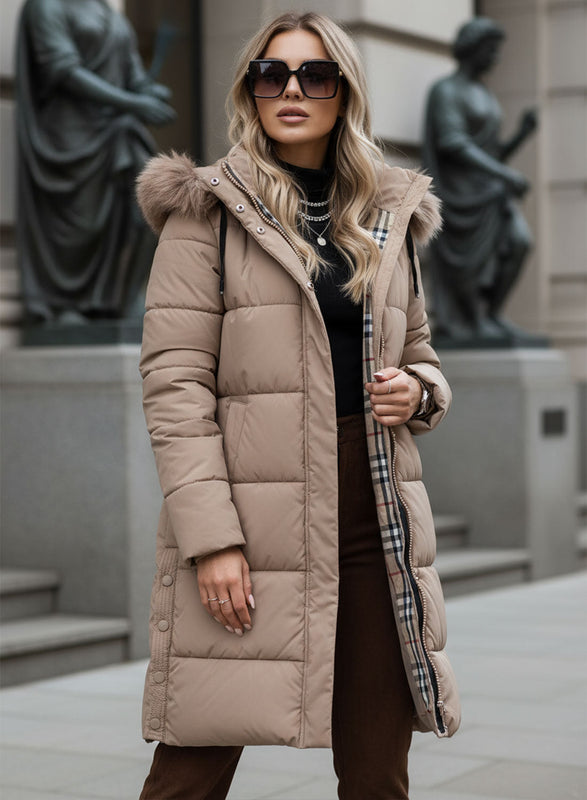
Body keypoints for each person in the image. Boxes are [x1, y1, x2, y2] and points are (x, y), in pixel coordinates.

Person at [136, 12, 460, 800]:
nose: (290, 89)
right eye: (270, 73)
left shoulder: (387, 217)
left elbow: (421, 355)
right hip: (256, 514)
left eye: (314, 75)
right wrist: (211, 539)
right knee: (193, 768)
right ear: (249, 90)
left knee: (378, 772)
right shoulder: (205, 212)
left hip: (373, 516)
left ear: (342, 92)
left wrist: (418, 392)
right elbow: (174, 387)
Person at [16, 0, 175, 324]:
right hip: (70, 136)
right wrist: (134, 103)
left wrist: (148, 91)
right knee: (82, 226)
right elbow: (63, 71)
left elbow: (132, 73)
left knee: (148, 212)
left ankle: (125, 300)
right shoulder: (46, 6)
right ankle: (65, 305)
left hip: (119, 132)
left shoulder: (106, 11)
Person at [423, 17, 538, 345]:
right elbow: (453, 144)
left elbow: (491, 151)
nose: (496, 58)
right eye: (491, 50)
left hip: (489, 192)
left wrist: (521, 135)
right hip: (462, 195)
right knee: (469, 264)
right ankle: (472, 321)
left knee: (519, 243)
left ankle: (491, 315)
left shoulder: (483, 92)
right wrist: (505, 175)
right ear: (472, 49)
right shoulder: (446, 91)